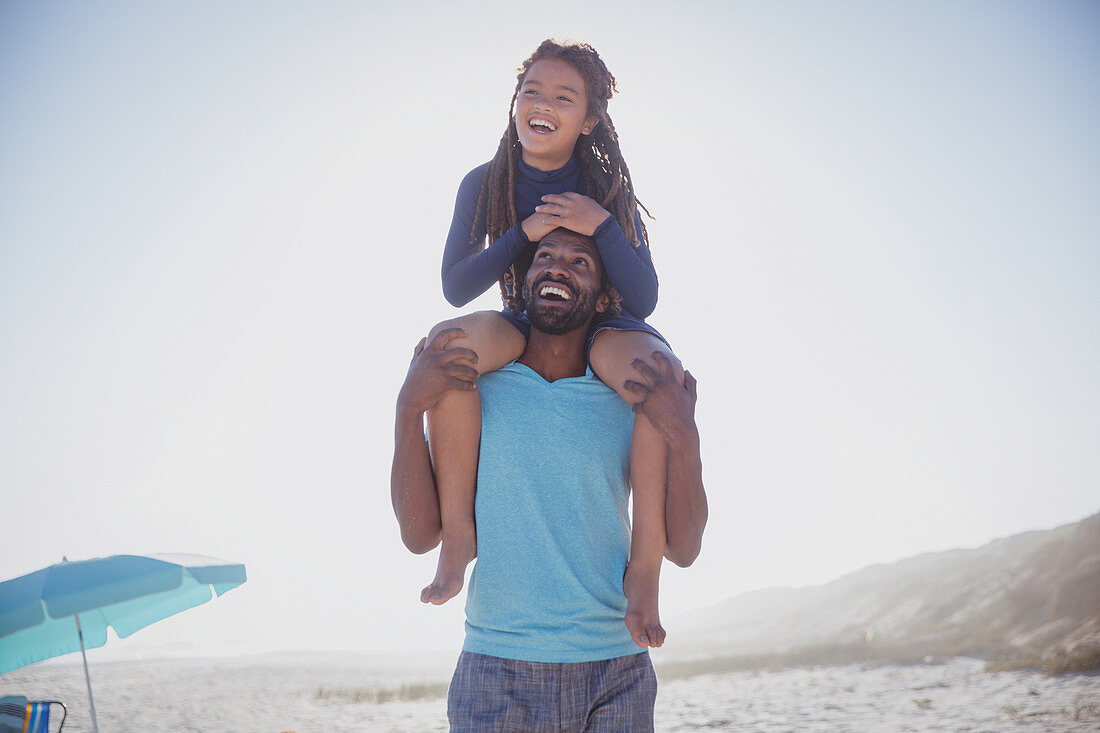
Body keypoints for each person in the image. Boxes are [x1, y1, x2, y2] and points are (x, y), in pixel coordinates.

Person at [422, 38, 686, 650]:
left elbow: (643, 297)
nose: (542, 104)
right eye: (531, 90)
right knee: (449, 345)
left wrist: (600, 225)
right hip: (525, 316)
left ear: (588, 118)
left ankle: (644, 569)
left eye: (563, 97)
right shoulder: (485, 181)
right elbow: (456, 287)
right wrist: (523, 233)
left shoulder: (606, 184)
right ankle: (459, 535)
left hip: (606, 323)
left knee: (655, 371)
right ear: (515, 101)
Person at [391, 228, 707, 731]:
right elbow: (416, 535)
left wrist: (686, 438)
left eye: (580, 262)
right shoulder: (472, 389)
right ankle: (462, 541)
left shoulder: (630, 397)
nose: (558, 266)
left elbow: (685, 548)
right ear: (524, 282)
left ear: (605, 296)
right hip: (497, 668)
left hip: (615, 669)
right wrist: (408, 410)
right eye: (546, 256)